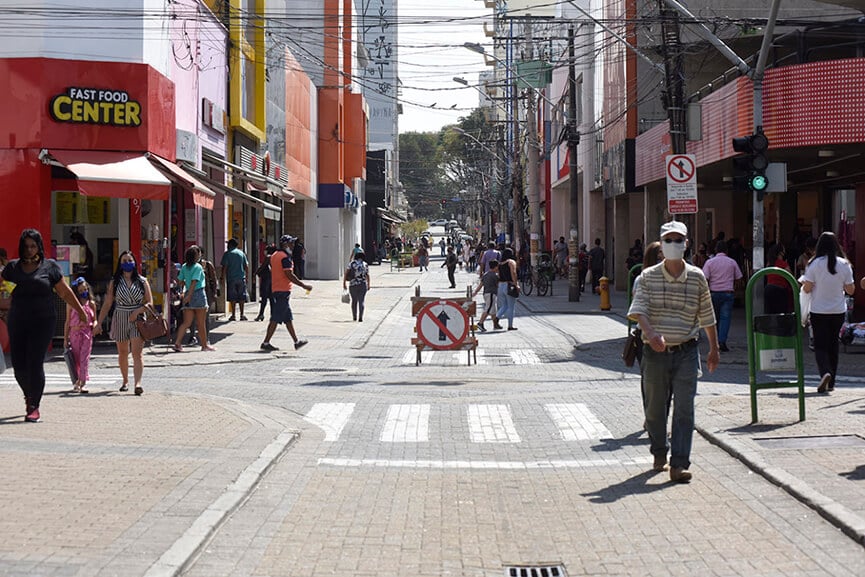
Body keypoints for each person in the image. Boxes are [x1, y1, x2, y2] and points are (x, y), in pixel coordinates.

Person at [628, 221, 719, 483]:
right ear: (661, 244)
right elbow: (639, 310)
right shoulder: (647, 277)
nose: (673, 245)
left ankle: (679, 464)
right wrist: (652, 333)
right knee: (655, 409)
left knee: (684, 409)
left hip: (687, 351)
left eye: (678, 240)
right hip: (654, 352)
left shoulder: (697, 277)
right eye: (668, 240)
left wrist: (713, 348)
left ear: (686, 244)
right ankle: (659, 451)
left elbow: (706, 315)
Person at [2, 229, 88, 421]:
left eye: (33, 246)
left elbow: (65, 293)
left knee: (34, 362)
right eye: (26, 246)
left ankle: (34, 405)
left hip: (43, 321)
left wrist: (81, 311)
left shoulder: (50, 267)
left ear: (39, 246)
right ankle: (29, 394)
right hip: (18, 320)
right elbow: (2, 286)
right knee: (18, 367)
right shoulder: (13, 267)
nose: (29, 250)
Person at [801, 232, 855, 393]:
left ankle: (825, 372)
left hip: (818, 310)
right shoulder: (844, 264)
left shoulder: (814, 264)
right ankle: (832, 381)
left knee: (820, 344)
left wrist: (804, 284)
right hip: (838, 310)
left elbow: (807, 288)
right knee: (833, 344)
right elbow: (851, 290)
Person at [95, 251, 153, 396]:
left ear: (134, 262)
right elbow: (108, 303)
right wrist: (99, 322)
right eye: (124, 260)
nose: (127, 263)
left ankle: (138, 383)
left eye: (129, 260)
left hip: (137, 318)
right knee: (122, 352)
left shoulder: (142, 281)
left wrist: (138, 310)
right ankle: (125, 380)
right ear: (120, 264)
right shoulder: (115, 282)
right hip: (120, 316)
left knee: (137, 353)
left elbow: (150, 302)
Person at [261, 235, 312, 351]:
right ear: (285, 244)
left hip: (277, 289)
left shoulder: (274, 256)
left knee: (288, 318)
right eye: (291, 243)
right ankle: (265, 342)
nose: (293, 246)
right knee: (275, 318)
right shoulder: (284, 257)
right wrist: (304, 286)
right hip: (282, 291)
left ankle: (296, 342)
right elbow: (289, 275)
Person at [701, 240, 742, 352]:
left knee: (714, 318)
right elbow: (739, 278)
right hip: (728, 293)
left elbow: (705, 278)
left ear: (715, 250)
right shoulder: (732, 262)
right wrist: (734, 287)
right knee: (725, 318)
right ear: (727, 250)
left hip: (713, 293)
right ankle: (722, 341)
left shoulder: (710, 263)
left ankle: (714, 341)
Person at [173, 246, 216, 353]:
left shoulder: (184, 267)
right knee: (201, 323)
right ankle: (204, 345)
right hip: (198, 294)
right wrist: (190, 295)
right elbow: (194, 282)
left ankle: (178, 343)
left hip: (188, 294)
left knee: (186, 322)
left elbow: (180, 281)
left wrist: (184, 293)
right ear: (196, 256)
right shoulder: (198, 267)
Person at [64, 277, 97, 394]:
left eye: (85, 289)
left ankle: (82, 383)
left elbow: (95, 319)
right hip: (74, 333)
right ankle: (77, 381)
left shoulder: (91, 303)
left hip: (87, 333)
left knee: (84, 358)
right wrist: (65, 338)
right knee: (76, 359)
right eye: (81, 290)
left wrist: (96, 326)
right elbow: (67, 321)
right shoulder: (71, 304)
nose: (84, 292)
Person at [220, 238, 249, 321]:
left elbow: (224, 267)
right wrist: (246, 277)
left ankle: (233, 315)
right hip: (241, 278)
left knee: (232, 297)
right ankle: (242, 314)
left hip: (231, 279)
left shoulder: (227, 254)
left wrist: (222, 277)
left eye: (228, 244)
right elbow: (246, 266)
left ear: (231, 245)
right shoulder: (241, 253)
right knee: (242, 297)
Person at [473, 259, 502, 332]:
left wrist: (476, 292)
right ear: (495, 267)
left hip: (486, 293)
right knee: (488, 308)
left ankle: (495, 324)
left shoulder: (485, 274)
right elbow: (498, 285)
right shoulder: (495, 276)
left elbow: (481, 284)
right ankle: (480, 323)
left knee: (493, 309)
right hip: (491, 293)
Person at [765, 243, 793, 314]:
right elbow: (791, 277)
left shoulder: (769, 264)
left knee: (770, 313)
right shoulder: (784, 264)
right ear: (781, 253)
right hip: (781, 290)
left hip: (768, 290)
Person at [496, 248, 520, 330]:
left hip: (501, 285)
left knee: (504, 305)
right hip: (509, 285)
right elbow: (513, 273)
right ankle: (510, 325)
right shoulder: (511, 262)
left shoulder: (500, 264)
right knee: (511, 306)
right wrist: (516, 284)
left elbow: (498, 275)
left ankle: (497, 317)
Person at [343, 249, 370, 322]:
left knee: (354, 301)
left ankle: (354, 316)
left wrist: (344, 283)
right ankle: (360, 317)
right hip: (362, 284)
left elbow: (346, 273)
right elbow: (367, 275)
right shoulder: (365, 264)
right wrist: (369, 284)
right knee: (361, 301)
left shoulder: (351, 264)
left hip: (353, 284)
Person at [254, 244, 276, 321]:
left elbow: (263, 266)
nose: (265, 251)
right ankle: (273, 315)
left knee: (264, 298)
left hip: (266, 279)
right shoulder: (275, 257)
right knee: (271, 298)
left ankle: (261, 314)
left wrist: (256, 272)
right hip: (272, 279)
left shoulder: (269, 257)